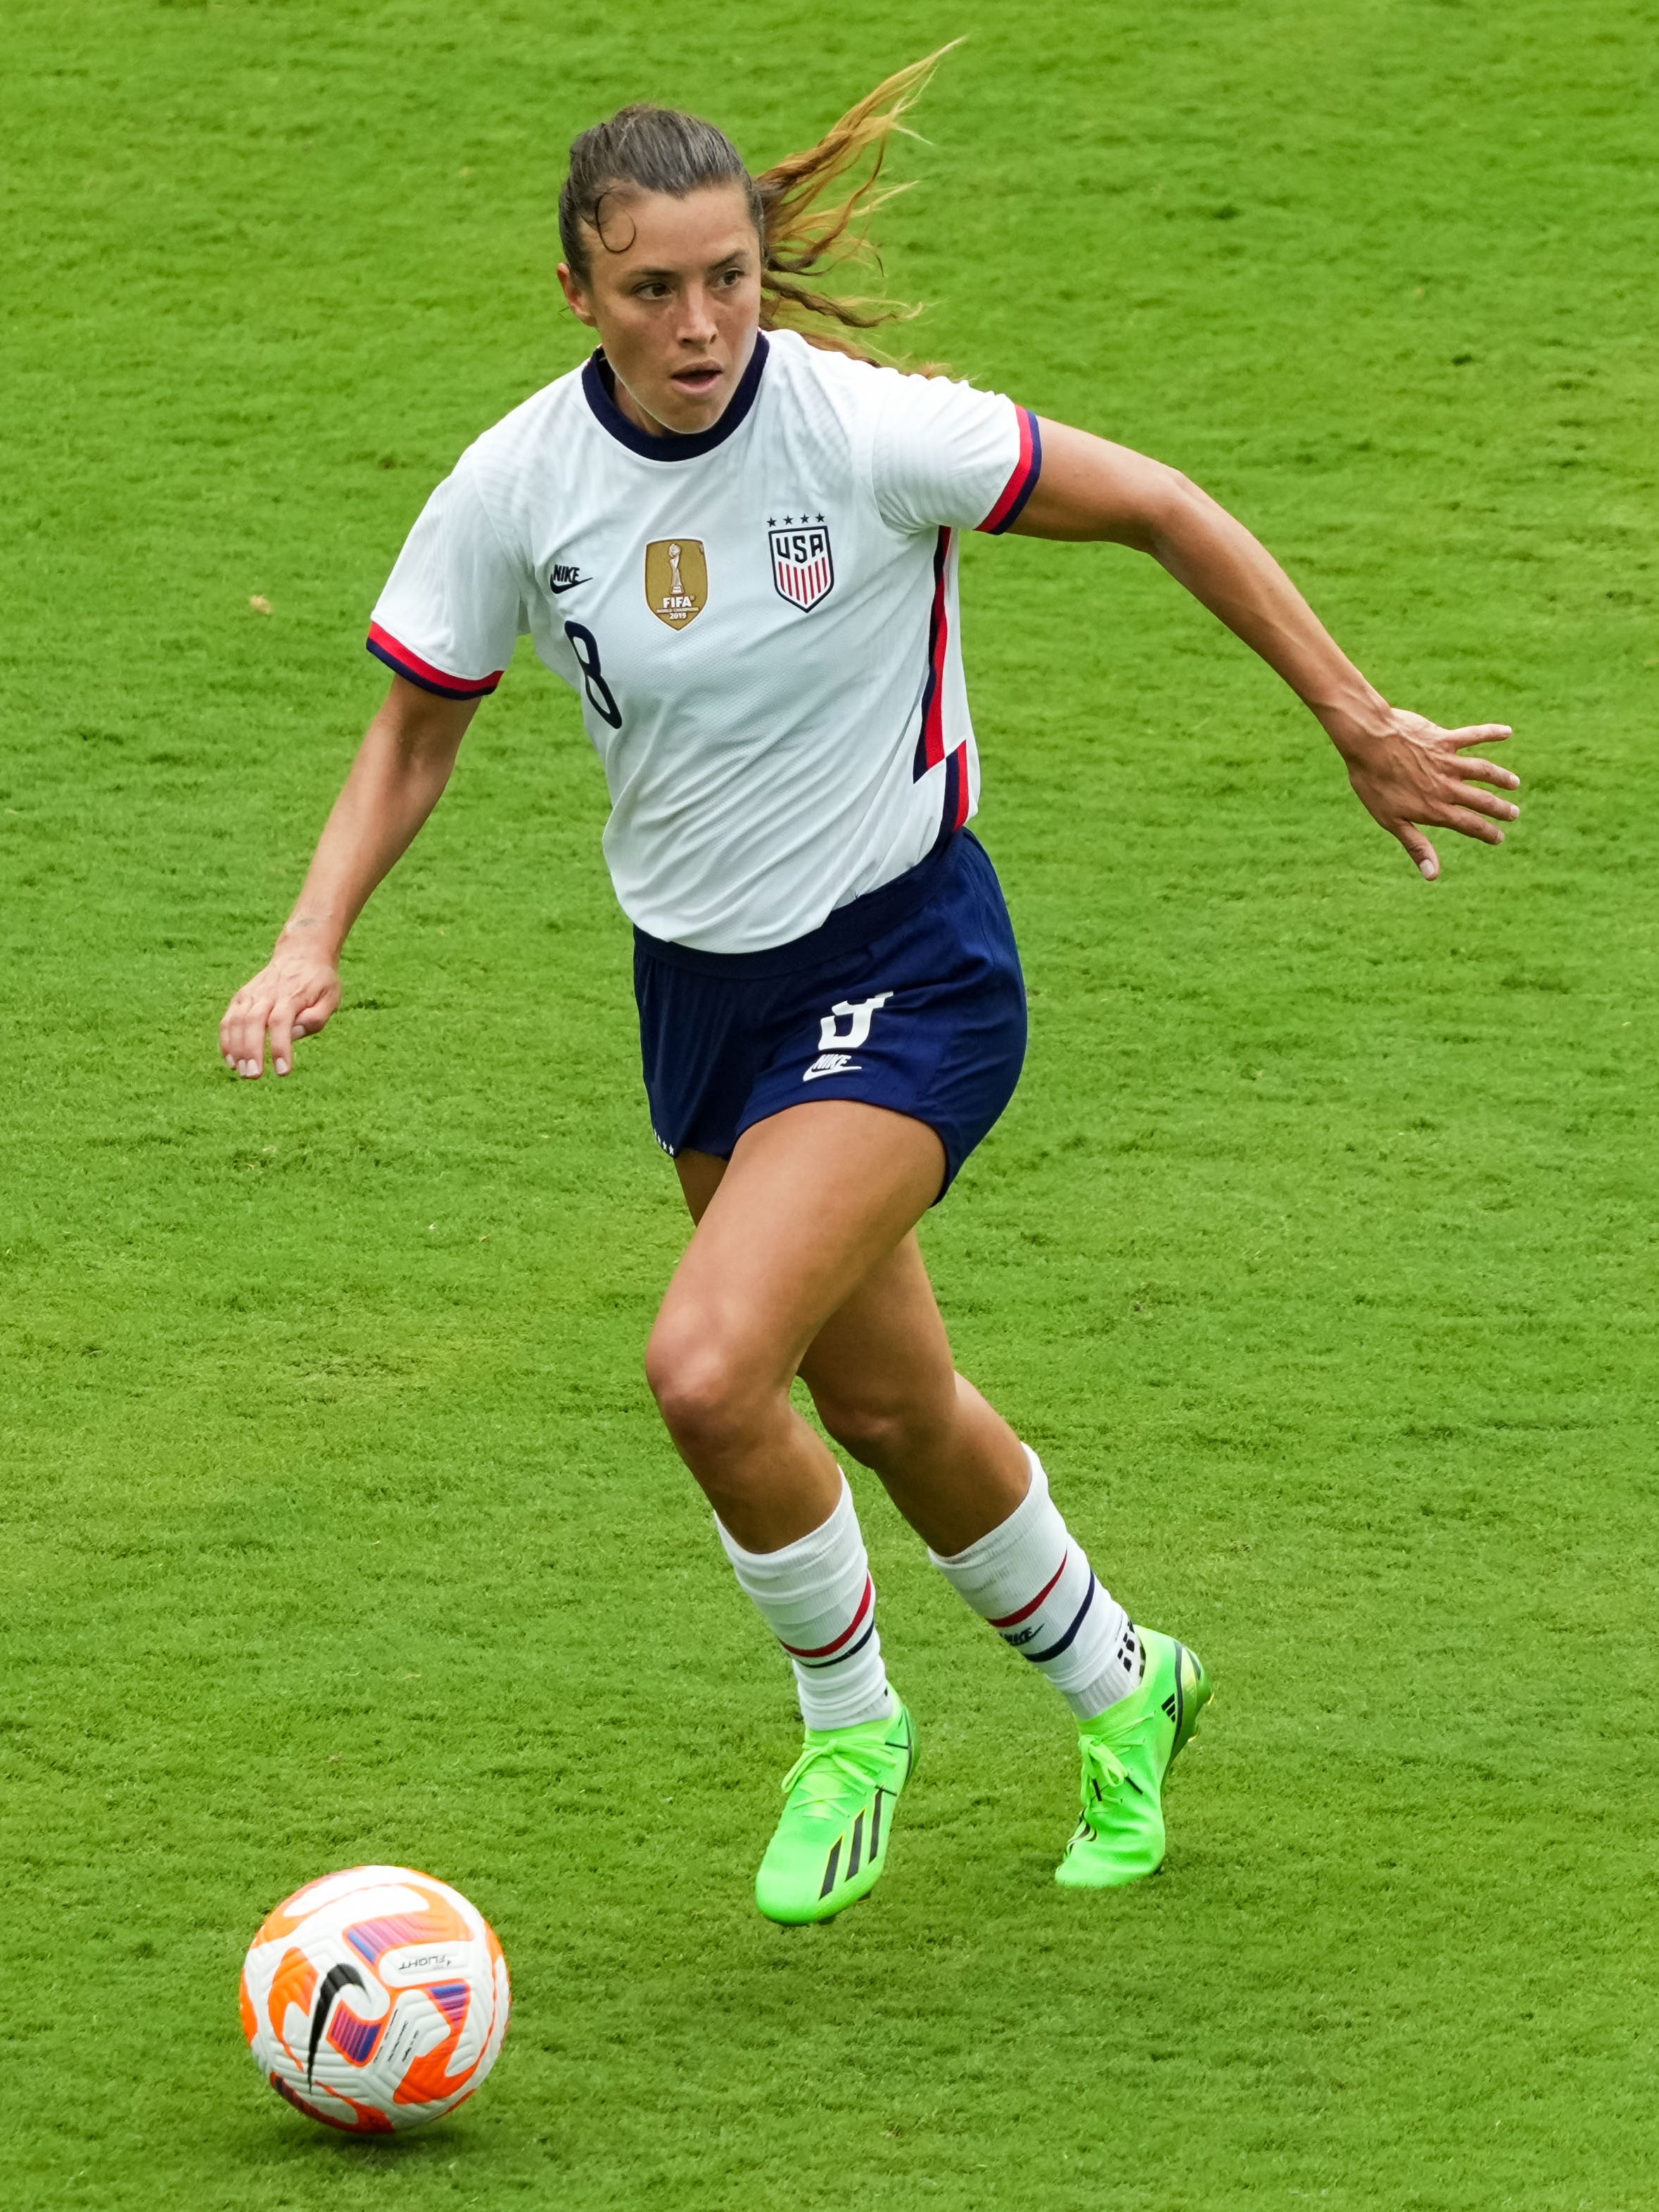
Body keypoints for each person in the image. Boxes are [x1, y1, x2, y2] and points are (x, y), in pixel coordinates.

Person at [219, 57, 1518, 1924]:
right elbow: (419, 726)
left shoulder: (863, 433)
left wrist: (1355, 717)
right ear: (578, 292)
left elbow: (1158, 502)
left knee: (706, 1367)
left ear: (764, 269)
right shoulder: (520, 482)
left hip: (909, 969)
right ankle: (1127, 1684)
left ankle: (851, 1723)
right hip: (703, 1003)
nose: (701, 323)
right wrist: (309, 936)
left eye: (730, 277)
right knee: (896, 1412)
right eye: (654, 288)